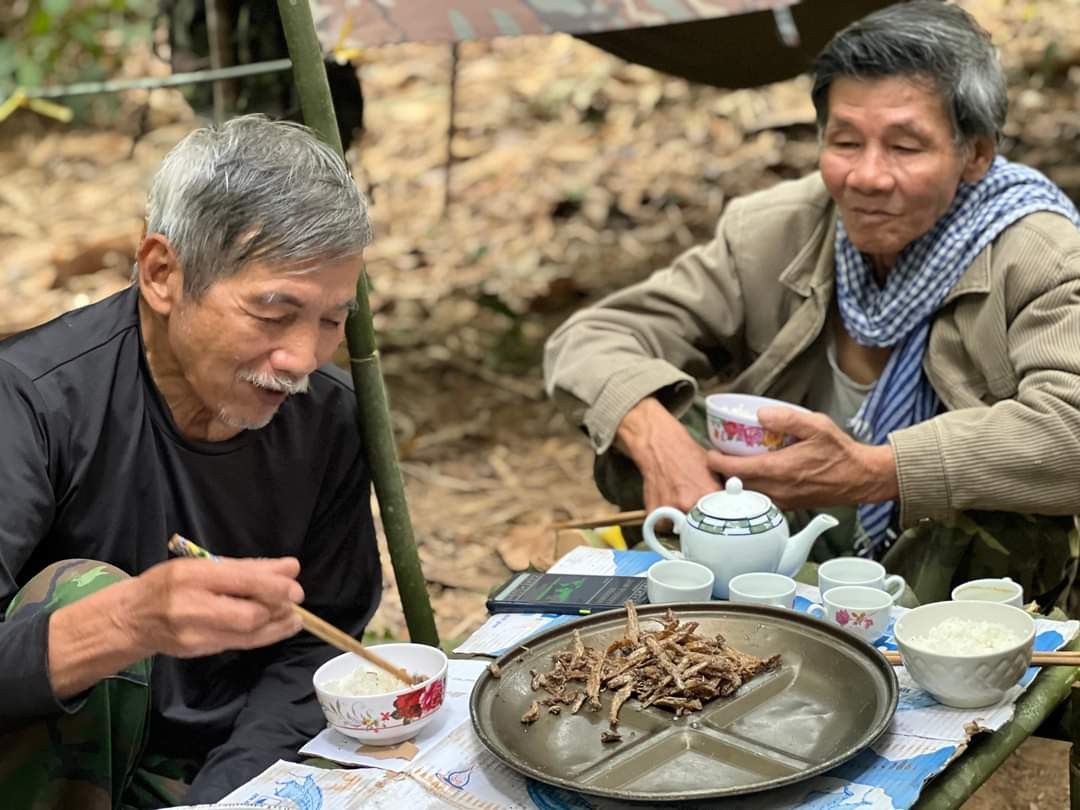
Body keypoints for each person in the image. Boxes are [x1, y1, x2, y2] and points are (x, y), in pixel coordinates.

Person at [544, 1, 1080, 609]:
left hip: (950, 575)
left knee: (1007, 510)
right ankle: (751, 614)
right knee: (652, 414)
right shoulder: (778, 229)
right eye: (845, 141)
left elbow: (1071, 428)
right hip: (801, 534)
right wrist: (656, 439)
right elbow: (589, 338)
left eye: (906, 147)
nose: (868, 177)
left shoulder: (1042, 255)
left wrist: (879, 470)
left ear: (975, 155)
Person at [0, 115, 382, 807]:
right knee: (81, 589)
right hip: (51, 770)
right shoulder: (29, 402)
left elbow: (318, 641)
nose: (301, 358)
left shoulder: (327, 414)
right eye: (273, 312)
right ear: (163, 274)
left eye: (331, 320)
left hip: (225, 769)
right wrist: (126, 622)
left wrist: (229, 793)